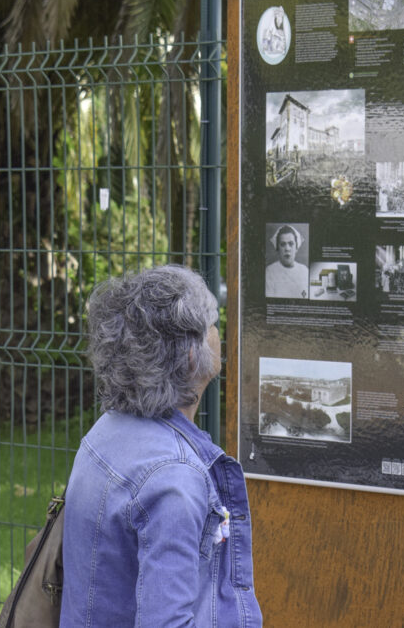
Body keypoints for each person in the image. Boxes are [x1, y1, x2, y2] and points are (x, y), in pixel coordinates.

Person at [61, 265, 263, 627]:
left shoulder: (107, 431)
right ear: (192, 355)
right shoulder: (174, 478)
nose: (219, 333)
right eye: (213, 324)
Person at [265, 224, 309, 299]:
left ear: (296, 248)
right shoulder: (270, 272)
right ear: (278, 249)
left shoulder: (305, 271)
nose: (287, 249)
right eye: (283, 244)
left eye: (291, 244)